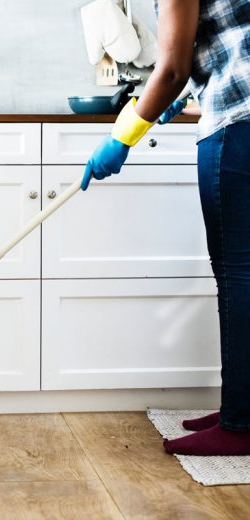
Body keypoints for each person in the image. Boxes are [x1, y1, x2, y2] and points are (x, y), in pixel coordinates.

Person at [82, 0, 250, 456]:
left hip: (237, 127)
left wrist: (122, 136)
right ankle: (242, 406)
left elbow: (172, 68)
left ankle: (240, 423)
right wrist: (191, 95)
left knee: (239, 279)